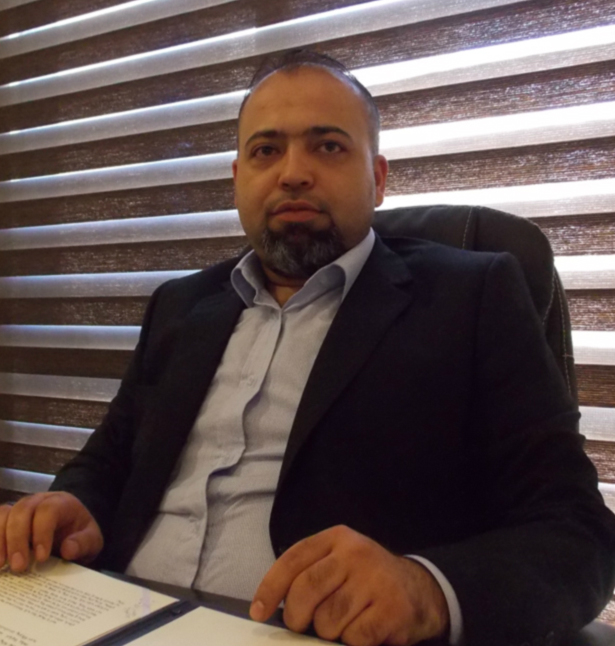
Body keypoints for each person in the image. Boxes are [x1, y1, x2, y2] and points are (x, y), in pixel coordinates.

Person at [1, 50, 614, 646]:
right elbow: (107, 461)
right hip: (109, 617)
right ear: (238, 180)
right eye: (266, 150)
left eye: (328, 146)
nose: (292, 172)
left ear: (377, 178)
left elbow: (577, 531)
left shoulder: (472, 296)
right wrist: (75, 503)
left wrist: (425, 590)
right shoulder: (180, 305)